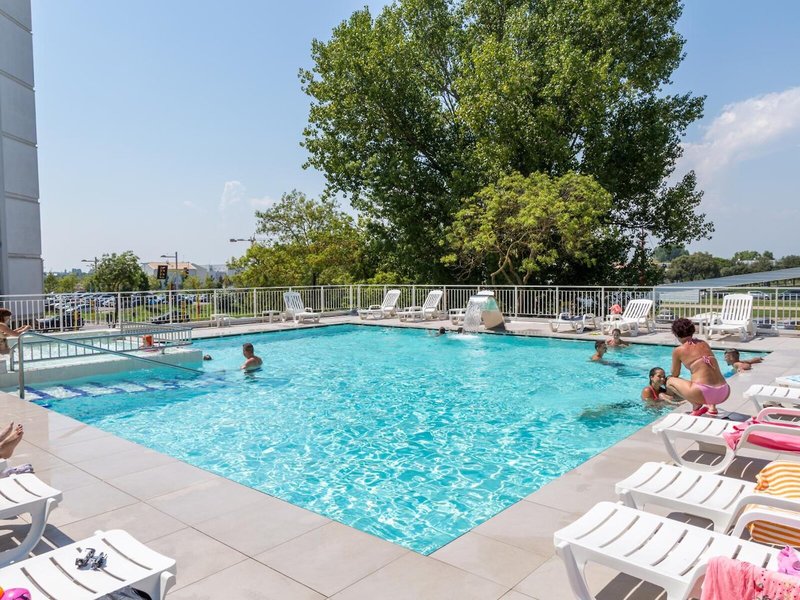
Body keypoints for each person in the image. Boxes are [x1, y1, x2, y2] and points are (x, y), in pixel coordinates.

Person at [666, 318, 730, 417]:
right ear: (692, 331)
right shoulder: (703, 343)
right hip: (724, 391)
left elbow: (675, 374)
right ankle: (712, 407)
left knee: (670, 381)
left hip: (703, 392)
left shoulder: (678, 350)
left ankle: (695, 403)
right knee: (708, 372)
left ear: (676, 334)